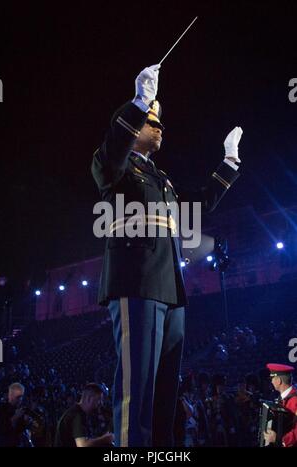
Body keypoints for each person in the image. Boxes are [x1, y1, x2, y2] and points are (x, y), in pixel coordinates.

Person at [91, 64, 243, 446]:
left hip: (169, 288)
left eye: (159, 122)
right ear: (133, 128)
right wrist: (139, 102)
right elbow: (112, 150)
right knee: (137, 383)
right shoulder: (116, 168)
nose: (159, 127)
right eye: (151, 122)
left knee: (163, 389)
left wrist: (228, 164)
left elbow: (200, 203)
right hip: (136, 279)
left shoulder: (162, 181)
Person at [54, 383, 114, 447]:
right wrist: (105, 439)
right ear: (89, 398)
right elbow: (82, 445)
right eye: (99, 400)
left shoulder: (80, 414)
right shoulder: (76, 415)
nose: (101, 403)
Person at [264, 363, 297, 447]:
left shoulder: (295, 399)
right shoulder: (281, 399)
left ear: (278, 381)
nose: (271, 381)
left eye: (272, 378)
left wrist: (280, 439)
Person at [0, 382, 30, 447]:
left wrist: (25, 421)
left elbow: (19, 431)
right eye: (18, 397)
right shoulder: (1, 409)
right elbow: (1, 430)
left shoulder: (19, 410)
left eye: (21, 397)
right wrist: (14, 418)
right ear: (11, 396)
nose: (20, 400)